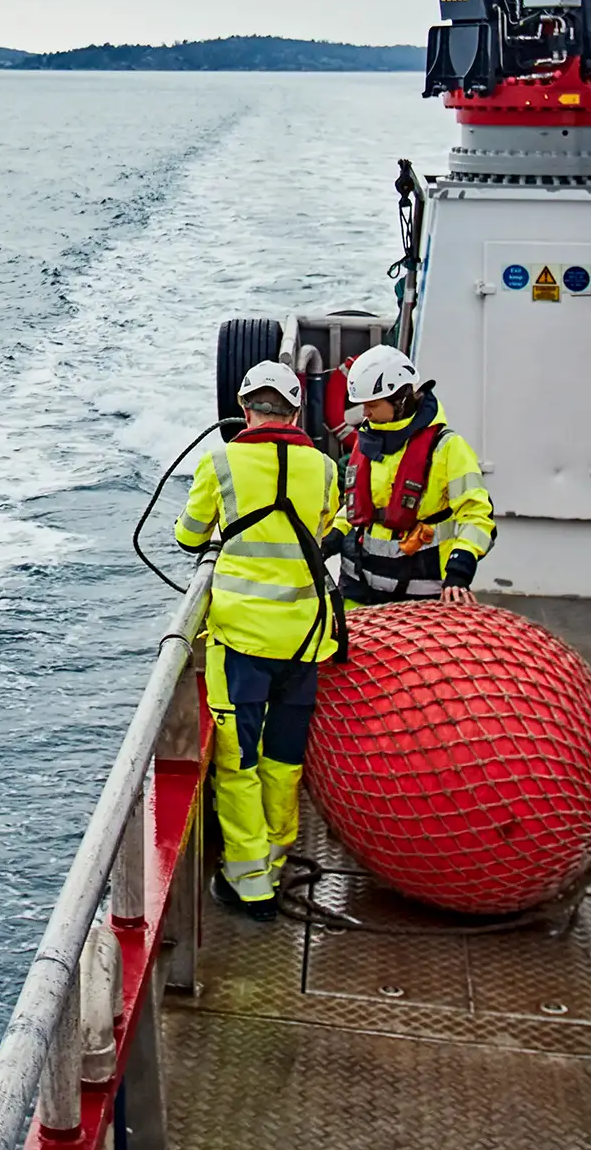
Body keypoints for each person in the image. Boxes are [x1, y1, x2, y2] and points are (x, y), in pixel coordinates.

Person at [175, 361, 341, 922]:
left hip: (241, 642)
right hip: (304, 640)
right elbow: (322, 530)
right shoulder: (323, 467)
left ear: (246, 409)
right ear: (296, 413)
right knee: (283, 756)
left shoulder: (219, 461)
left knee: (238, 762)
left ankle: (249, 884)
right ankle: (275, 857)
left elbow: (187, 535)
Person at [328, 346, 495, 606]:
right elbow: (357, 503)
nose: (365, 414)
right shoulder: (368, 439)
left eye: (372, 405)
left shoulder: (447, 447)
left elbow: (477, 516)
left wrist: (459, 570)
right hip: (358, 582)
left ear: (400, 399)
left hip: (420, 589)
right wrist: (334, 537)